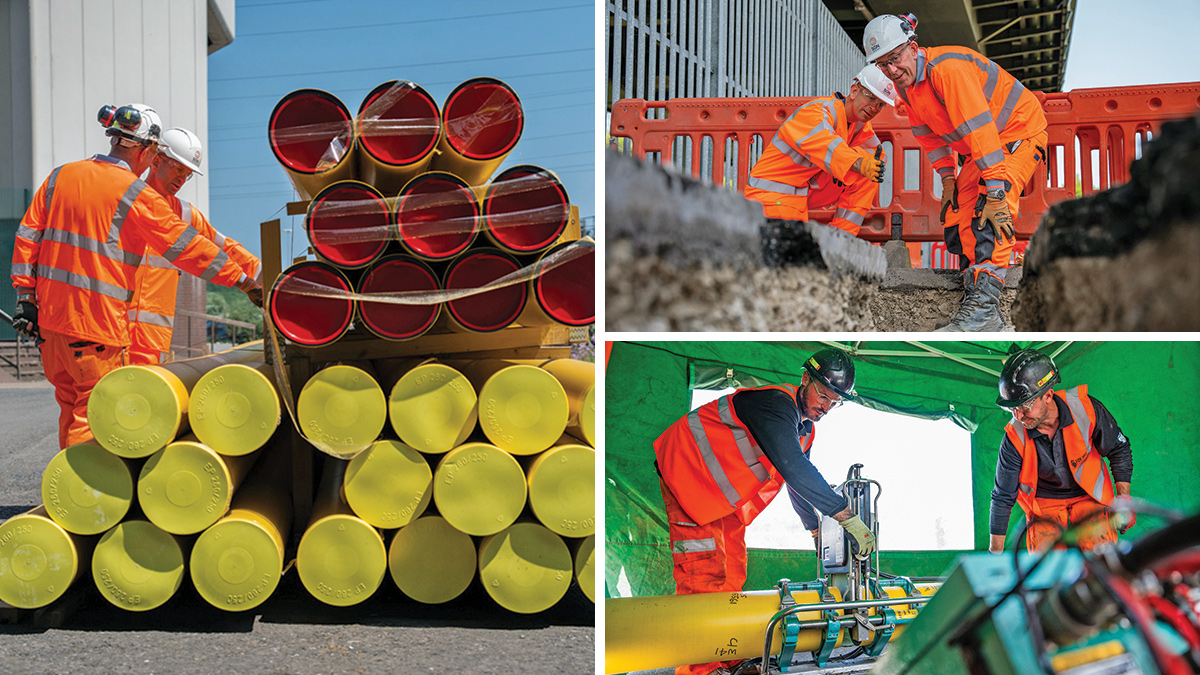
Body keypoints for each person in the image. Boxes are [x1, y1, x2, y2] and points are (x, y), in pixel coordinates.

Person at [10, 104, 261, 449]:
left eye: (188, 174)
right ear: (150, 154)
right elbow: (188, 248)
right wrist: (243, 282)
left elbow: (27, 237)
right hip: (99, 327)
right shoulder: (133, 194)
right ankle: (84, 482)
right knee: (98, 412)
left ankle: (68, 478)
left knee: (75, 407)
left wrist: (26, 298)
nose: (181, 178)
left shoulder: (61, 176)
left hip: (57, 324)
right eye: (175, 166)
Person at [653, 348, 875, 675]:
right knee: (703, 575)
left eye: (835, 402)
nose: (826, 407)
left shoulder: (805, 429)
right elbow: (794, 467)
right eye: (823, 395)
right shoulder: (775, 404)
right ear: (805, 379)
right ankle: (701, 668)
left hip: (721, 499)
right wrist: (845, 516)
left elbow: (795, 481)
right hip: (688, 475)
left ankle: (727, 652)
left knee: (733, 573)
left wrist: (815, 530)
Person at [862, 13, 1048, 331]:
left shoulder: (948, 70)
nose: (891, 70)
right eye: (882, 64)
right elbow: (929, 137)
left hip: (1016, 134)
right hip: (984, 147)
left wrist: (996, 191)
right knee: (957, 216)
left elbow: (980, 129)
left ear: (912, 48)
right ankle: (976, 307)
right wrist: (949, 180)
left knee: (990, 211)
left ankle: (983, 311)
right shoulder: (908, 88)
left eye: (895, 58)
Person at [129, 127, 262, 365]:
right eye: (179, 169)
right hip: (116, 330)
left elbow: (226, 248)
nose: (182, 179)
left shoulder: (184, 214)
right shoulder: (126, 201)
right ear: (156, 161)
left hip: (153, 339)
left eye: (188, 174)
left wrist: (266, 275)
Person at [989, 349, 1135, 554]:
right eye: (1012, 409)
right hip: (1044, 504)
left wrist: (1124, 500)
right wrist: (994, 554)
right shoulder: (1014, 437)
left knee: (1101, 560)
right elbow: (1003, 496)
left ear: (1048, 395)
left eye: (1025, 406)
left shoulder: (1086, 409)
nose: (1018, 416)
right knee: (1045, 565)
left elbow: (1119, 449)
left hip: (1089, 496)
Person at [744, 65, 897, 236]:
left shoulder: (859, 126)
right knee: (861, 165)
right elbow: (826, 144)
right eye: (870, 98)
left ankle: (841, 238)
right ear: (854, 91)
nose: (874, 108)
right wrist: (859, 163)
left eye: (881, 104)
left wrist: (867, 165)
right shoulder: (816, 111)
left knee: (871, 171)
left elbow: (876, 155)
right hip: (771, 196)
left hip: (797, 196)